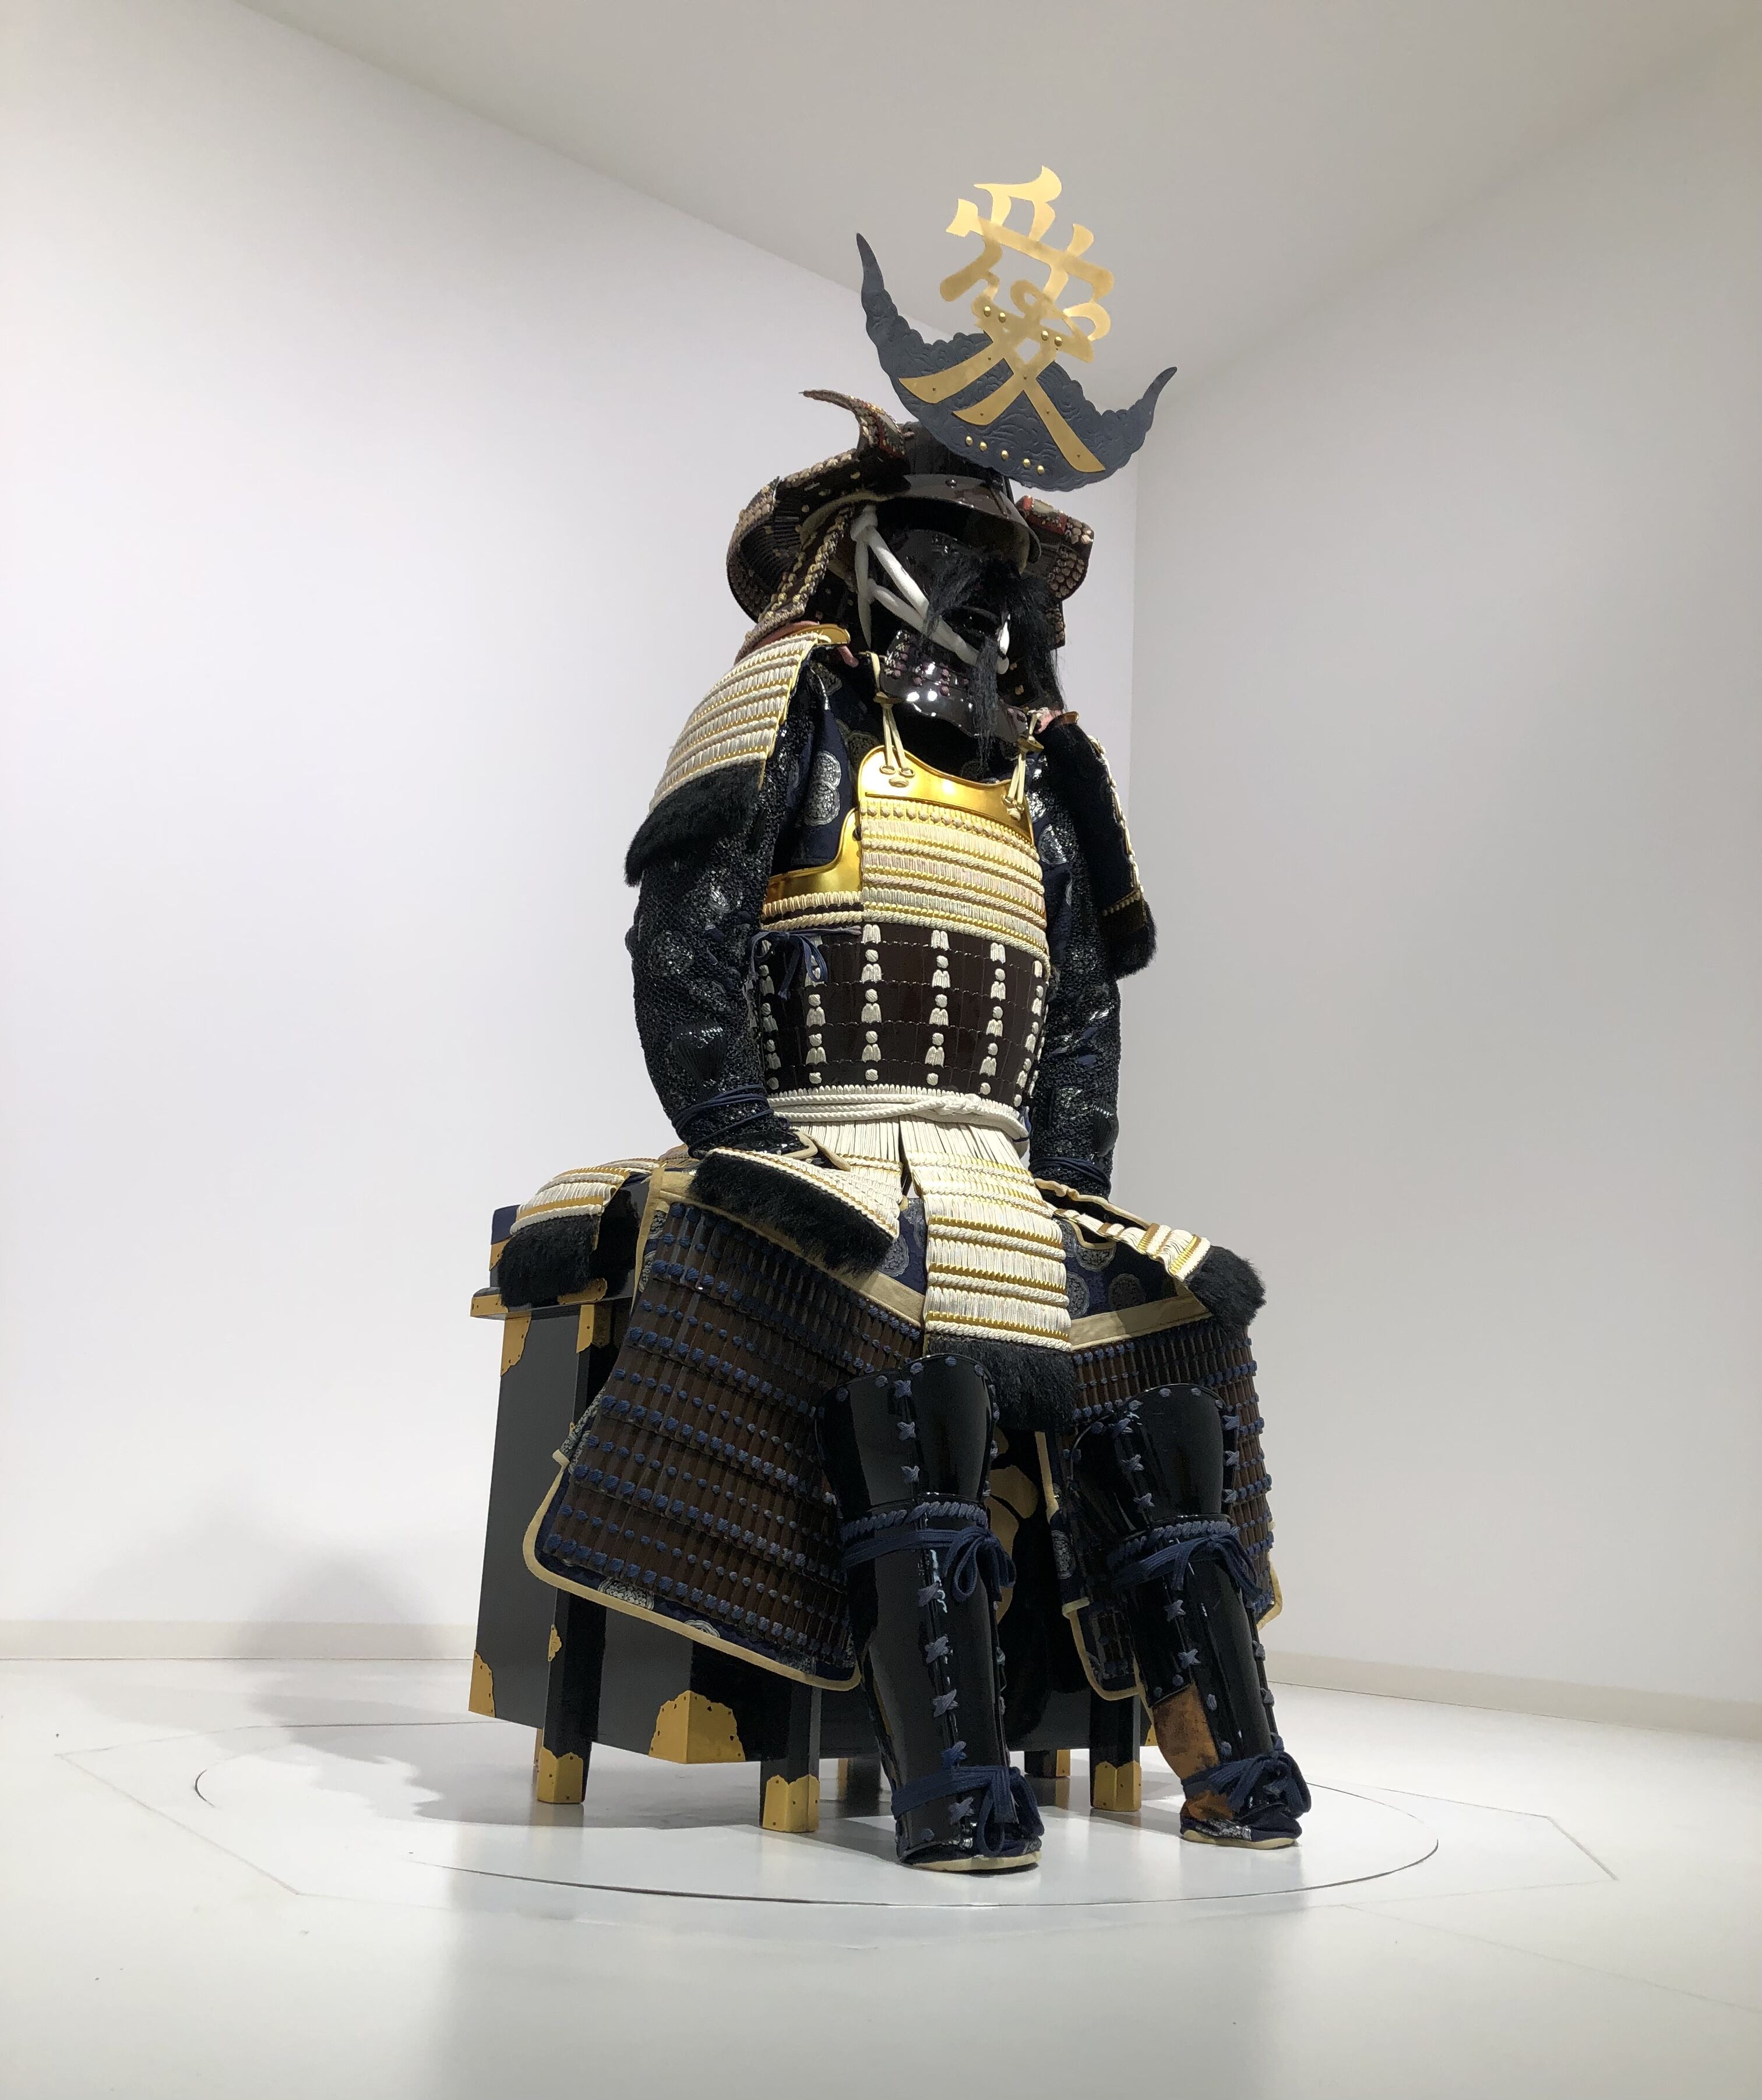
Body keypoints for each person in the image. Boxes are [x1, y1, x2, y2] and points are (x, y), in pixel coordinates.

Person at [500, 181, 1308, 1869]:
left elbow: (1076, 1017)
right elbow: (686, 936)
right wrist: (745, 1146)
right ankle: (948, 1770)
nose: (988, 587)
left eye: (1004, 562)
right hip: (820, 1149)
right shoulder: (784, 707)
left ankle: (1219, 1743)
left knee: (1176, 1331)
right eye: (956, 546)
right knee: (893, 1350)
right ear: (869, 547)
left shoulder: (1050, 781)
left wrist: (1073, 1189)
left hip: (1001, 1178)